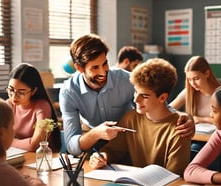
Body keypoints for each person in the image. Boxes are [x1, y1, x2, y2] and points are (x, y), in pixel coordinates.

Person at [59, 34, 195, 156]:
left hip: (127, 143)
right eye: (95, 68)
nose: (103, 72)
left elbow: (158, 103)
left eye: (105, 63)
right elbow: (71, 146)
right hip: (92, 142)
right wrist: (96, 133)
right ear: (79, 68)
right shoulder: (69, 92)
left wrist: (184, 117)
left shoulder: (126, 79)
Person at [89, 58, 191, 176]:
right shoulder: (131, 118)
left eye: (144, 96)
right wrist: (101, 157)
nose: (136, 99)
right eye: (136, 92)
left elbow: (174, 176)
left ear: (162, 98)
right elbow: (112, 150)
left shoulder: (180, 129)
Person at [7, 63, 61, 152]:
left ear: (33, 91)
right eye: (11, 90)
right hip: (20, 154)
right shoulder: (8, 105)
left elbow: (35, 145)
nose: (14, 96)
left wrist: (8, 142)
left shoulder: (42, 106)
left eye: (21, 92)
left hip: (42, 158)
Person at [170, 56, 220, 124]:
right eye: (189, 79)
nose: (193, 84)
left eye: (196, 79)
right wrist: (185, 115)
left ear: (207, 74)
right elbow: (168, 109)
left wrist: (202, 119)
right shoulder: (188, 92)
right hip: (197, 133)